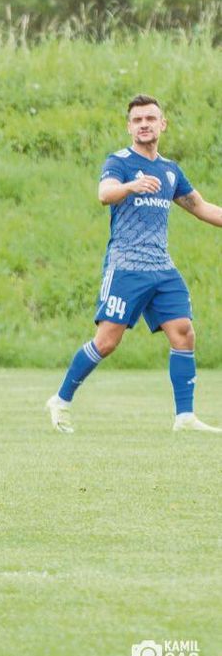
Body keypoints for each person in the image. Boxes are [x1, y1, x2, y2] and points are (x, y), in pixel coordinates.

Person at [46, 94, 222, 434]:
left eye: (150, 119)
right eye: (137, 120)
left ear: (162, 124)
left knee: (184, 333)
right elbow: (104, 194)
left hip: (161, 268)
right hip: (126, 266)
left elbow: (201, 207)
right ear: (129, 127)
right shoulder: (120, 162)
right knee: (107, 342)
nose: (144, 125)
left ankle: (184, 418)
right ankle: (61, 400)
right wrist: (131, 186)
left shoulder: (171, 171)